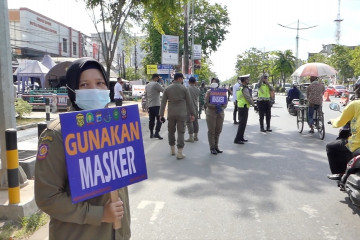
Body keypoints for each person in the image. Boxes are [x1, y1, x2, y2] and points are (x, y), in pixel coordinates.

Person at [34, 58, 131, 240]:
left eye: (100, 83)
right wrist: (100, 214)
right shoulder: (57, 134)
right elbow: (47, 197)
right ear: (72, 90)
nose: (94, 89)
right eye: (84, 84)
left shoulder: (114, 126)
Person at [159, 73, 196, 159]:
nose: (182, 80)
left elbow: (163, 103)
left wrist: (161, 115)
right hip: (182, 114)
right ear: (179, 79)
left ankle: (172, 150)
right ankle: (179, 153)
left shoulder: (167, 89)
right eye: (182, 79)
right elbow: (189, 103)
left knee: (171, 131)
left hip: (171, 114)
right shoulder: (184, 89)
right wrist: (192, 114)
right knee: (181, 132)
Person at [327, 100, 360, 180]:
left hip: (357, 144)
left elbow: (340, 122)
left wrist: (332, 121)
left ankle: (341, 174)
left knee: (331, 146)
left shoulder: (355, 104)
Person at [205, 77, 228, 155]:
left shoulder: (222, 92)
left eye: (215, 82)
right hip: (211, 113)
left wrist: (221, 107)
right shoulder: (209, 92)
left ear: (218, 83)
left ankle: (216, 146)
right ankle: (212, 148)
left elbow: (225, 102)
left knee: (218, 130)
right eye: (212, 82)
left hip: (220, 113)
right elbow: (206, 103)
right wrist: (214, 106)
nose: (214, 84)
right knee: (211, 131)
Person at [234, 74, 257, 144]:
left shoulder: (239, 88)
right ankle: (237, 139)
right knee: (242, 124)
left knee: (242, 124)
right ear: (243, 80)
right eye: (247, 79)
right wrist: (254, 105)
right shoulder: (244, 88)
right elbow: (248, 98)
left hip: (241, 106)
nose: (248, 80)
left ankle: (241, 137)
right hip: (243, 107)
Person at [145, 73, 164, 139]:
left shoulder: (147, 85)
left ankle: (151, 133)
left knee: (151, 120)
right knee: (160, 119)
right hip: (156, 105)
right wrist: (162, 82)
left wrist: (147, 105)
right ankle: (156, 133)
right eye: (158, 78)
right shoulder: (156, 84)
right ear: (156, 78)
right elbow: (164, 90)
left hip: (150, 105)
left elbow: (146, 96)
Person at [185, 77, 200, 142]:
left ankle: (191, 137)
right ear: (195, 82)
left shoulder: (187, 89)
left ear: (189, 82)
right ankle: (196, 136)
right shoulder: (197, 90)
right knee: (195, 121)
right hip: (196, 107)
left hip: (188, 107)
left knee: (189, 122)